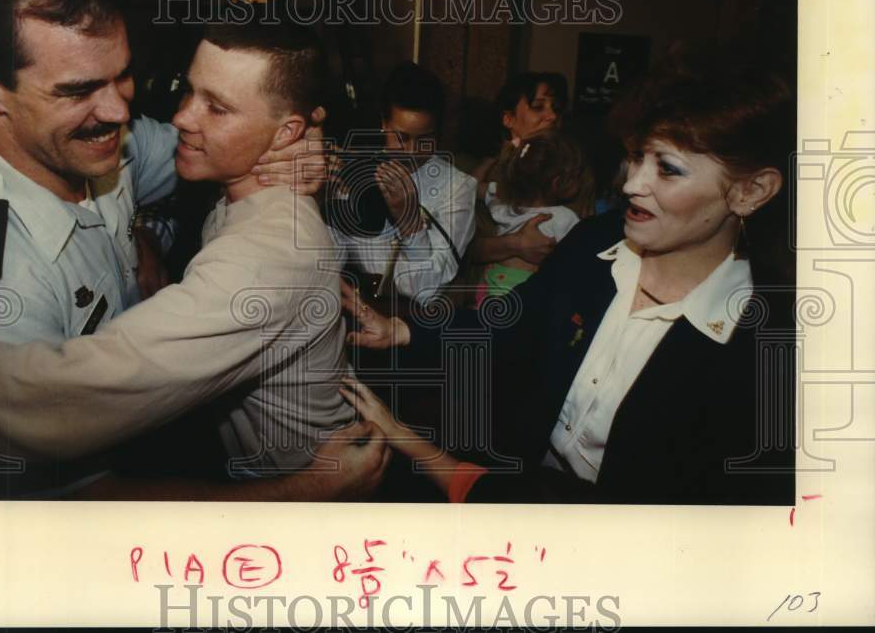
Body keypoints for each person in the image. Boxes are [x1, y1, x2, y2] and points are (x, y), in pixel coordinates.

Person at [341, 66, 796, 505]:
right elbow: (510, 324)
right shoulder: (593, 243)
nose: (632, 184)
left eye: (669, 169)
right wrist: (402, 332)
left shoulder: (771, 346)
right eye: (637, 157)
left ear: (751, 191)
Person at [0, 0, 322, 344]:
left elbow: (212, 148)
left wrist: (300, 144)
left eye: (122, 76)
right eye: (79, 90)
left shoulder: (105, 139)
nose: (119, 111)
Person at [329, 62, 477, 306]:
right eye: (402, 137)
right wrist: (324, 200)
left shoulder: (457, 187)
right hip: (352, 308)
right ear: (384, 123)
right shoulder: (358, 170)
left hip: (412, 324)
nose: (411, 151)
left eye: (425, 139)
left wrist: (409, 220)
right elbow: (328, 262)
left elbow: (427, 292)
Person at [467, 72, 572, 272]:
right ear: (508, 119)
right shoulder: (484, 171)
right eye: (538, 106)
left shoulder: (570, 168)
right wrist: (515, 243)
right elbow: (458, 248)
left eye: (555, 108)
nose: (552, 116)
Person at [475, 130, 588, 307]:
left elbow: (469, 186)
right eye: (577, 176)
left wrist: (492, 160)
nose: (581, 182)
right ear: (557, 182)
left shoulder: (502, 203)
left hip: (488, 286)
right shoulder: (563, 217)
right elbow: (580, 267)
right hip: (520, 292)